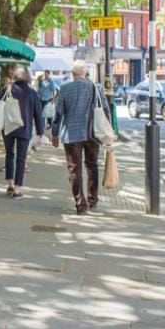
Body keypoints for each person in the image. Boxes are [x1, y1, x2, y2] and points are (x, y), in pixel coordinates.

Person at [51, 59, 111, 215]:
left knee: (74, 169)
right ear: (85, 73)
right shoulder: (96, 88)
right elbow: (105, 110)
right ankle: (93, 199)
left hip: (71, 135)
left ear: (73, 73)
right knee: (92, 165)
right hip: (93, 134)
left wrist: (55, 133)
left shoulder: (64, 89)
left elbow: (58, 114)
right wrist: (108, 132)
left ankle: (80, 203)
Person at [0, 67, 44, 198]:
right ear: (27, 76)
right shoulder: (32, 93)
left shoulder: (7, 89)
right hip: (24, 128)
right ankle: (17, 189)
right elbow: (38, 114)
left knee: (9, 154)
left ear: (15, 76)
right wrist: (40, 132)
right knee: (21, 158)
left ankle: (9, 184)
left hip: (8, 127)